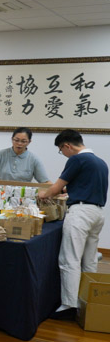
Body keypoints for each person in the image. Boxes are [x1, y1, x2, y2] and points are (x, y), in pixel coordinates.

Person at [37, 130, 108, 320]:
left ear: (67, 145)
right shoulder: (100, 162)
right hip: (97, 213)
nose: (63, 154)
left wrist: (42, 194)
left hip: (80, 214)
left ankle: (68, 306)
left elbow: (56, 187)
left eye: (61, 150)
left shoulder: (77, 160)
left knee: (70, 259)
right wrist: (65, 191)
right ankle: (86, 300)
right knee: (90, 260)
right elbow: (82, 185)